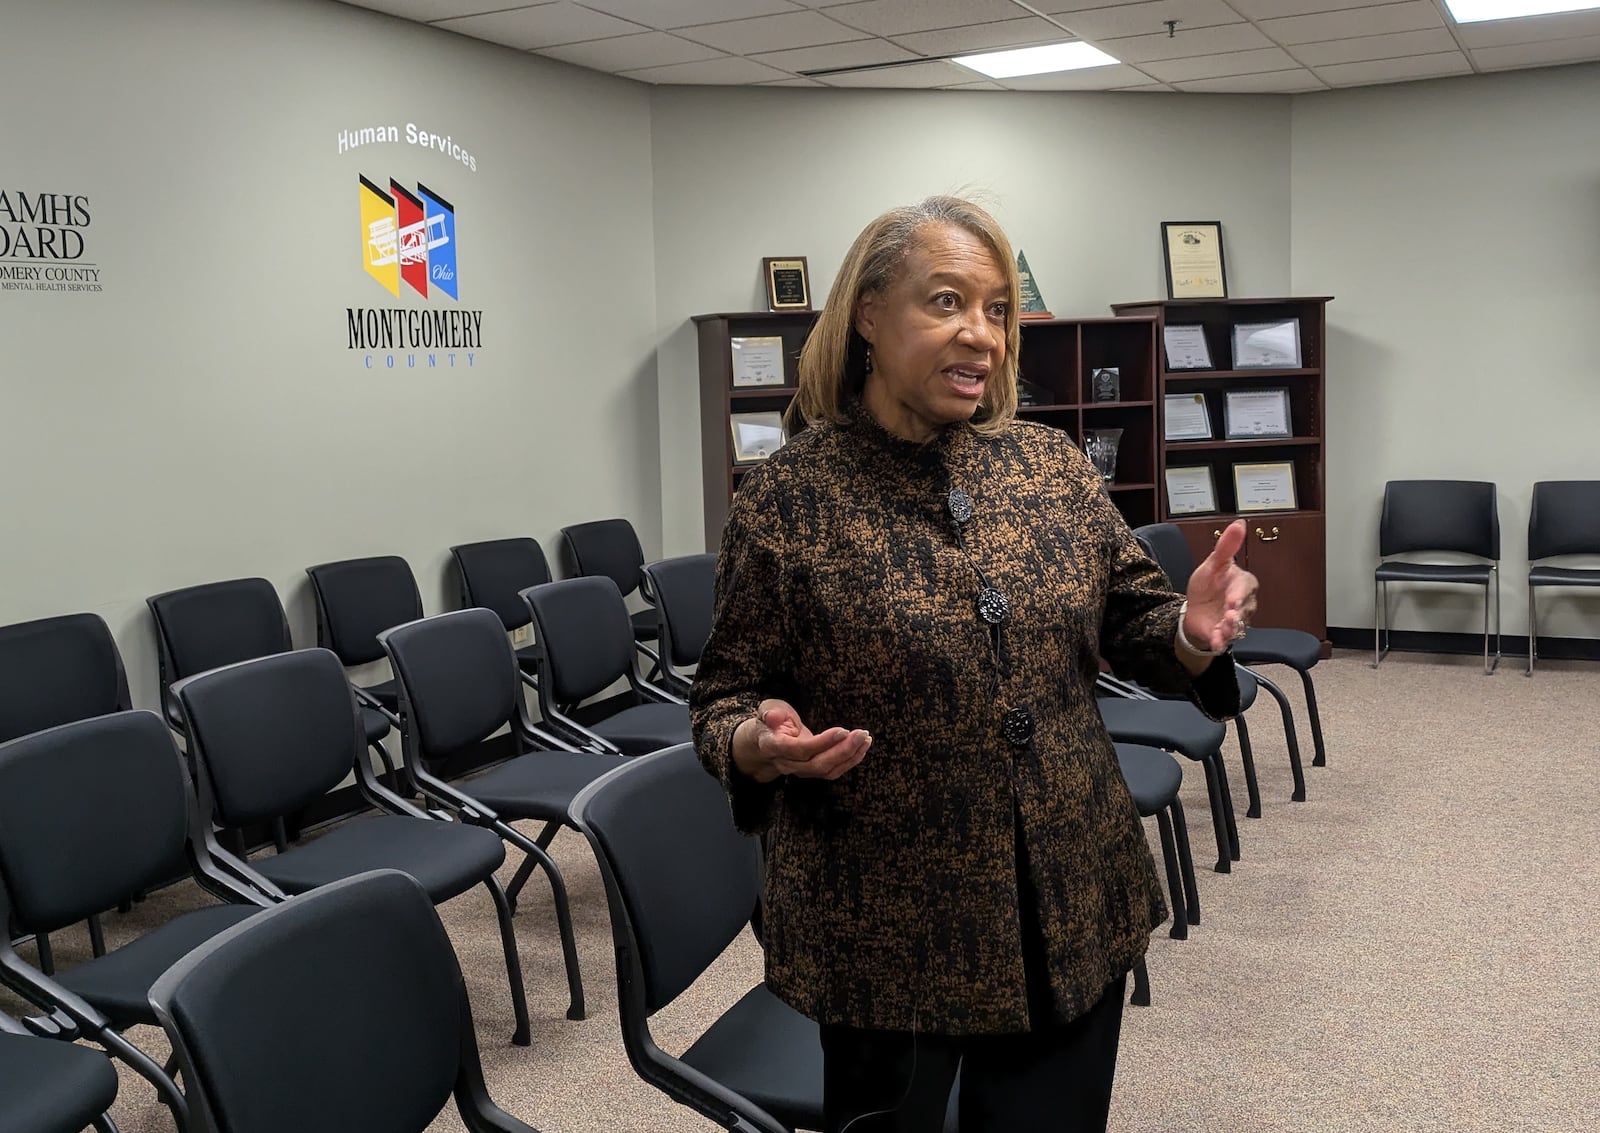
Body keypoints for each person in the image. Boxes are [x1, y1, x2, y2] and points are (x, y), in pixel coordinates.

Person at [689, 196, 1256, 1133]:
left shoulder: (1050, 467)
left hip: (1068, 901)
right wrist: (754, 741)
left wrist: (1191, 633)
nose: (981, 335)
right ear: (869, 313)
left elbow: (1136, 619)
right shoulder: (788, 496)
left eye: (997, 310)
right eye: (947, 301)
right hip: (885, 933)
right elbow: (723, 693)